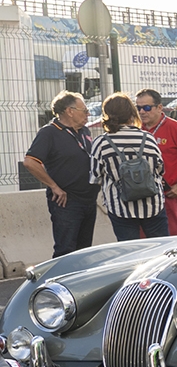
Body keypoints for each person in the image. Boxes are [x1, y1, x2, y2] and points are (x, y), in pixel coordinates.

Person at [23, 91, 98, 257]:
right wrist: (53, 186)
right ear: (70, 111)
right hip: (67, 203)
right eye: (84, 110)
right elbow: (30, 162)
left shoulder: (84, 131)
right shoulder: (49, 133)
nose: (88, 114)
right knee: (66, 251)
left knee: (84, 251)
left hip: (89, 201)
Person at [90, 92, 168, 241]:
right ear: (132, 113)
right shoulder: (148, 138)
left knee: (129, 251)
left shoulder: (101, 143)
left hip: (120, 207)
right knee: (161, 248)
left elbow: (95, 176)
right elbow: (160, 169)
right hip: (153, 205)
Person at [136, 88, 177, 236]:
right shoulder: (136, 129)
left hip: (168, 195)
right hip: (141, 195)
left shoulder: (174, 127)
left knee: (172, 237)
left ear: (159, 107)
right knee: (143, 241)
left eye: (146, 107)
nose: (142, 112)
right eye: (138, 108)